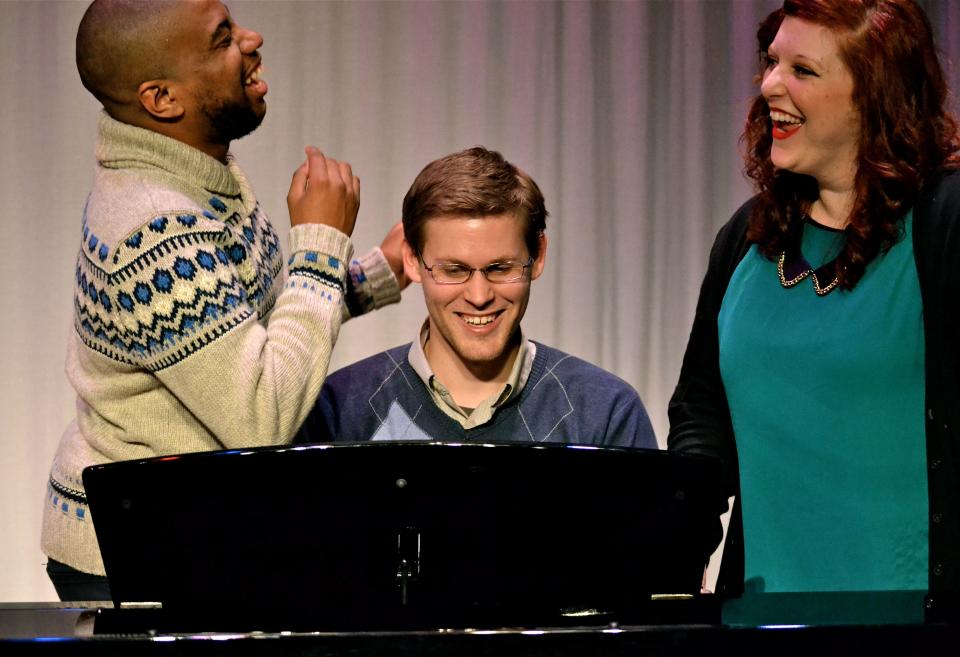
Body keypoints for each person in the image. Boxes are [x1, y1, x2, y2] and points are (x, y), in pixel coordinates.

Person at [43, 0, 405, 601]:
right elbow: (263, 415)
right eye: (222, 39)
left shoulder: (197, 175)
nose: (253, 39)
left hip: (185, 529)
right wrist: (319, 246)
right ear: (162, 99)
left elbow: (253, 331)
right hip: (139, 554)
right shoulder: (154, 230)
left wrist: (374, 275)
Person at [668, 0, 960, 611]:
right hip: (762, 619)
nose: (770, 84)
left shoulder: (944, 222)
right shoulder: (747, 236)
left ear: (874, 94)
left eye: (803, 69)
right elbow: (701, 413)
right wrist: (674, 545)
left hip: (913, 624)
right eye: (772, 62)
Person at [298, 146, 657, 449]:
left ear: (539, 255)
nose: (479, 295)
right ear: (411, 260)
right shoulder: (341, 412)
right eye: (453, 270)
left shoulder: (606, 414)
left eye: (500, 268)